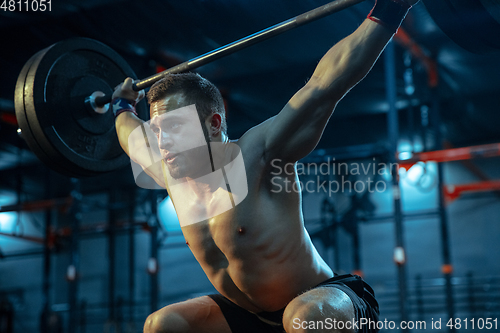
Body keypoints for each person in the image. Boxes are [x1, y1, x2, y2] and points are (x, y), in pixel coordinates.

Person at [112, 0, 419, 332]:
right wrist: (121, 105)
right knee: (163, 324)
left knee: (303, 320)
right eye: (157, 131)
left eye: (174, 127)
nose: (162, 141)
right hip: (250, 317)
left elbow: (324, 86)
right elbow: (130, 135)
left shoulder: (258, 154)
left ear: (214, 123)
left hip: (325, 303)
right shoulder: (172, 173)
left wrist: (390, 10)